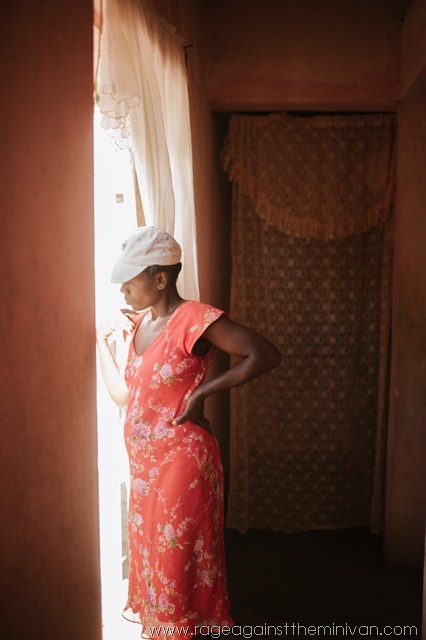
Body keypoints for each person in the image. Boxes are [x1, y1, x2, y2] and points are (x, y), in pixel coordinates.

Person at [96, 226, 281, 640]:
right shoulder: (138, 323)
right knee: (156, 567)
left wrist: (202, 392)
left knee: (174, 567)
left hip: (183, 462)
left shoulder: (195, 318)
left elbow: (265, 354)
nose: (123, 289)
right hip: (144, 471)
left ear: (160, 278)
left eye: (130, 280)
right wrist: (101, 344)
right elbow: (124, 396)